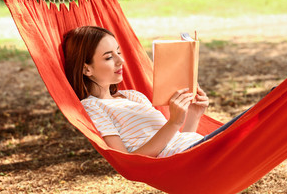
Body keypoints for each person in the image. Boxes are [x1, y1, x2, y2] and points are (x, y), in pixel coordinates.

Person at [63, 26, 244, 157]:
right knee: (249, 127)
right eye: (109, 57)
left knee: (250, 128)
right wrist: (173, 122)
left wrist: (194, 115)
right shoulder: (93, 107)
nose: (121, 61)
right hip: (189, 156)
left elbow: (174, 140)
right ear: (87, 69)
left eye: (119, 52)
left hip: (193, 147)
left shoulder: (134, 96)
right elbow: (128, 162)